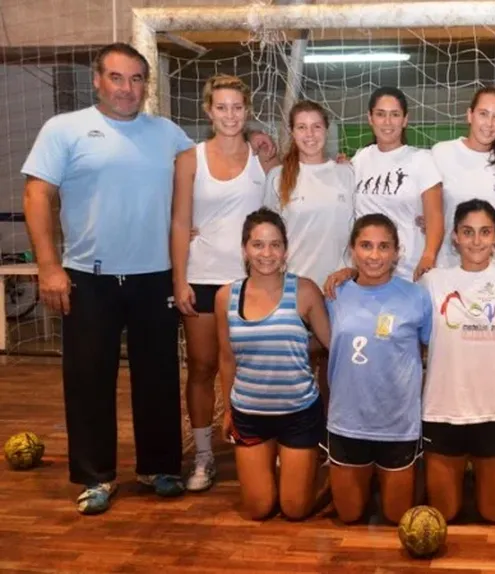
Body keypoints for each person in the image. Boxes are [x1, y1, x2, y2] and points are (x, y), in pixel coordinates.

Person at [22, 42, 194, 514]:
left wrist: (261, 146)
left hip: (154, 277)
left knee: (158, 377)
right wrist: (49, 266)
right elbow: (37, 195)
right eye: (116, 77)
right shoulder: (64, 129)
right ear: (97, 80)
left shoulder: (168, 134)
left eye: (136, 79)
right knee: (88, 380)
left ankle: (159, 468)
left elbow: (209, 162)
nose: (126, 88)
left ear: (146, 85)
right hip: (88, 277)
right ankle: (95, 476)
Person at [170, 74, 275, 492]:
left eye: (237, 107)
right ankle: (203, 455)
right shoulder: (189, 159)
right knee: (202, 366)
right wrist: (180, 280)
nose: (230, 115)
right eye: (221, 107)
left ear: (247, 111)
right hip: (202, 277)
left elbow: (298, 182)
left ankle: (258, 445)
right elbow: (180, 222)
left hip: (250, 282)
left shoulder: (263, 156)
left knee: (252, 367)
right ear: (208, 111)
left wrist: (340, 164)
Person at [418, 199, 495, 522]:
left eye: (485, 232)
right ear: (454, 236)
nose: (476, 241)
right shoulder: (433, 281)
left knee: (493, 513)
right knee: (444, 513)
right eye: (468, 232)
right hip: (443, 410)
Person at [216, 208, 331, 521]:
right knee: (259, 509)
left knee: (295, 510)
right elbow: (226, 357)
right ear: (245, 249)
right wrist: (228, 410)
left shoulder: (305, 291)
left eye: (275, 244)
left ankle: (330, 478)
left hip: (299, 414)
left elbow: (332, 344)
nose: (266, 253)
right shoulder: (226, 297)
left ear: (285, 250)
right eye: (258, 244)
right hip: (249, 414)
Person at [325, 214, 432, 524]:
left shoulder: (416, 296)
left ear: (397, 252)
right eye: (366, 246)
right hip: (348, 421)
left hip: (397, 423)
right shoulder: (334, 294)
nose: (374, 255)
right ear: (352, 249)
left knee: (396, 518)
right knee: (349, 516)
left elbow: (431, 348)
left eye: (384, 246)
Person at [352, 87, 443, 281]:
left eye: (394, 114)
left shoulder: (421, 160)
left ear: (405, 120)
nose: (387, 122)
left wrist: (429, 256)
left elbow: (435, 215)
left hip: (410, 272)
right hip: (368, 270)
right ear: (370, 118)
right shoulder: (359, 159)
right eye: (380, 114)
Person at [263, 100, 355, 289]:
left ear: (326, 130)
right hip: (293, 286)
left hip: (340, 287)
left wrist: (351, 269)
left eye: (316, 126)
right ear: (292, 132)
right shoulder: (276, 177)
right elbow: (267, 235)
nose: (310, 134)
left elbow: (361, 229)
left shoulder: (348, 174)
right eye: (302, 127)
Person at [432, 87, 495, 267]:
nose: (489, 124)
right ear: (470, 115)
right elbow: (428, 212)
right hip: (449, 265)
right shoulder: (441, 153)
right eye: (483, 114)